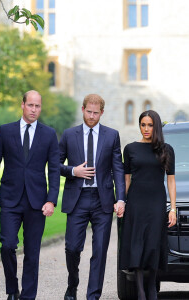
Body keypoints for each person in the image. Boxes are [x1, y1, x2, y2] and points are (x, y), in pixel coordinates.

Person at [0, 90, 60, 300]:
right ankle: (12, 289)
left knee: (32, 252)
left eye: (38, 106)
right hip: (9, 199)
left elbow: (54, 170)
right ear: (22, 105)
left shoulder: (49, 134)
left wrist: (51, 200)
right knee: (8, 245)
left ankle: (28, 296)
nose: (34, 110)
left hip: (37, 202)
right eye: (31, 105)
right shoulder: (5, 131)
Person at [59, 94, 126, 300]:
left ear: (102, 113)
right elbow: (55, 165)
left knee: (99, 251)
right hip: (77, 199)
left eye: (96, 113)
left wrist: (121, 198)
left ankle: (93, 296)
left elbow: (118, 169)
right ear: (83, 109)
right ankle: (73, 284)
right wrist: (73, 171)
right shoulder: (69, 135)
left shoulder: (112, 135)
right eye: (88, 111)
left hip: (102, 200)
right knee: (72, 248)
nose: (91, 116)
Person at [119, 110, 176, 300]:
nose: (146, 129)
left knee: (152, 244)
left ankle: (151, 286)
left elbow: (171, 181)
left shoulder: (166, 149)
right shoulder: (130, 148)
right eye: (143, 124)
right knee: (136, 244)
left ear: (156, 126)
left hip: (156, 203)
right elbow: (126, 180)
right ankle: (141, 291)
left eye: (150, 125)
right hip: (135, 203)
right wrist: (121, 202)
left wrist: (173, 208)